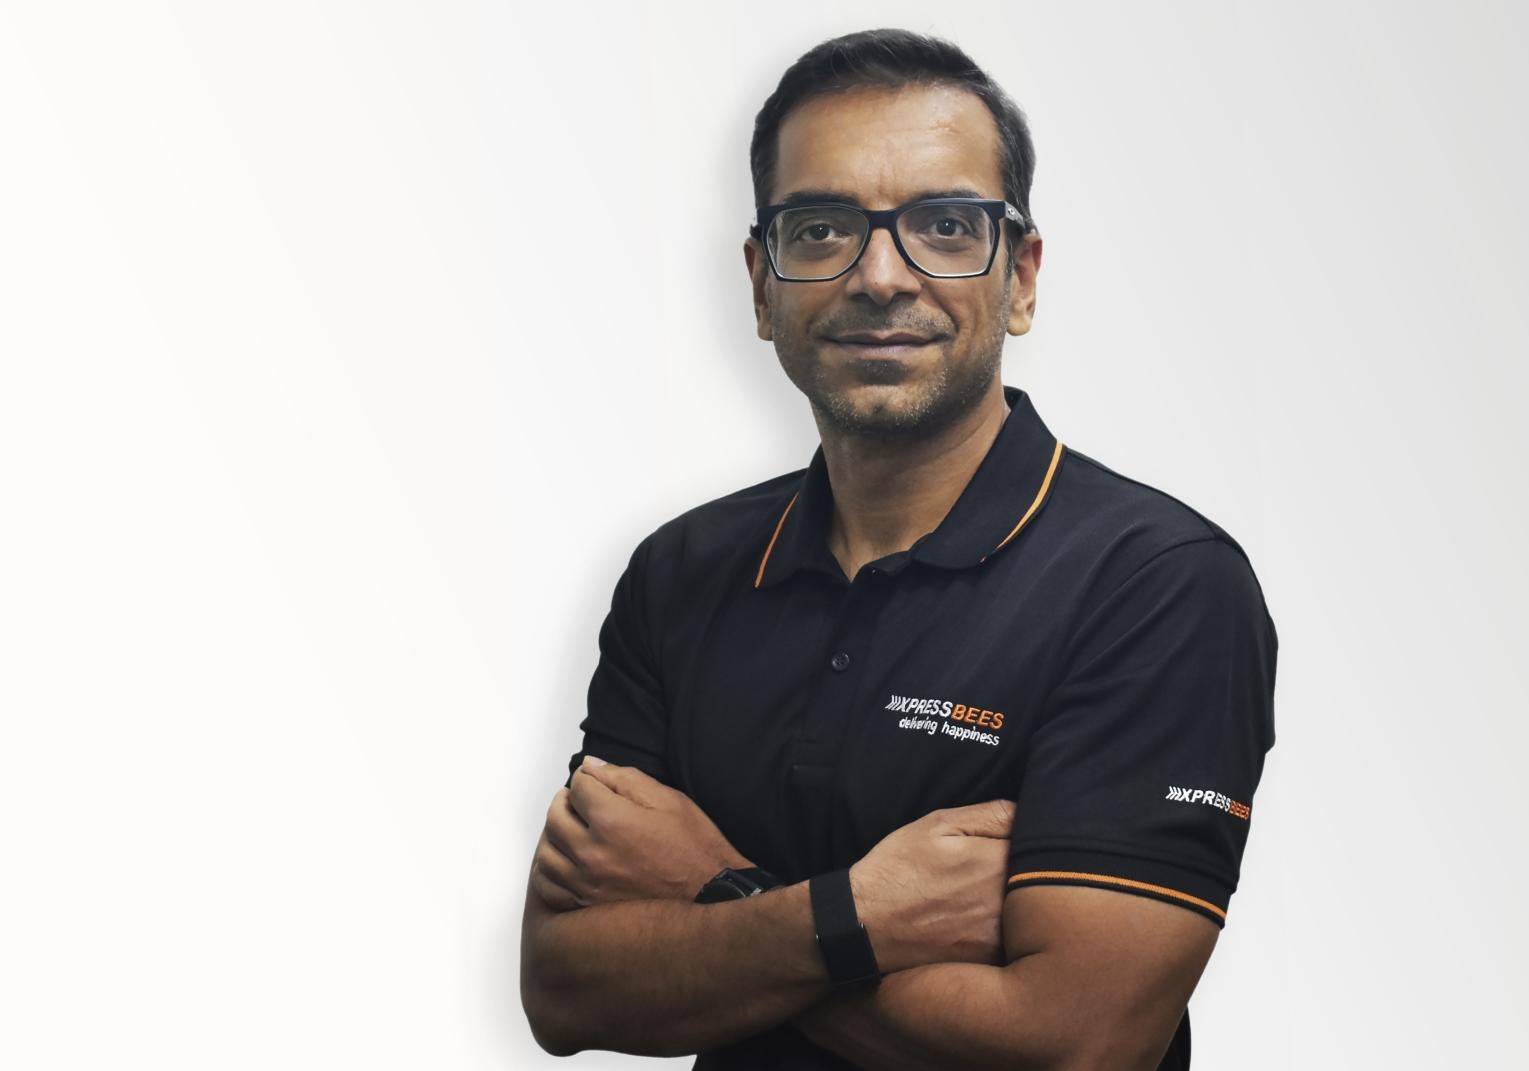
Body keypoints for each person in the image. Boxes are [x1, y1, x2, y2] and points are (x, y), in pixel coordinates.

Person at [519, 28, 1278, 1070]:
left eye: (946, 226)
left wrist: (713, 891)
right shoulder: (680, 573)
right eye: (821, 228)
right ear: (761, 284)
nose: (880, 276)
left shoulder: (1157, 584)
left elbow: (1079, 1047)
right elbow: (565, 990)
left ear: (1020, 278)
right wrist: (866, 913)